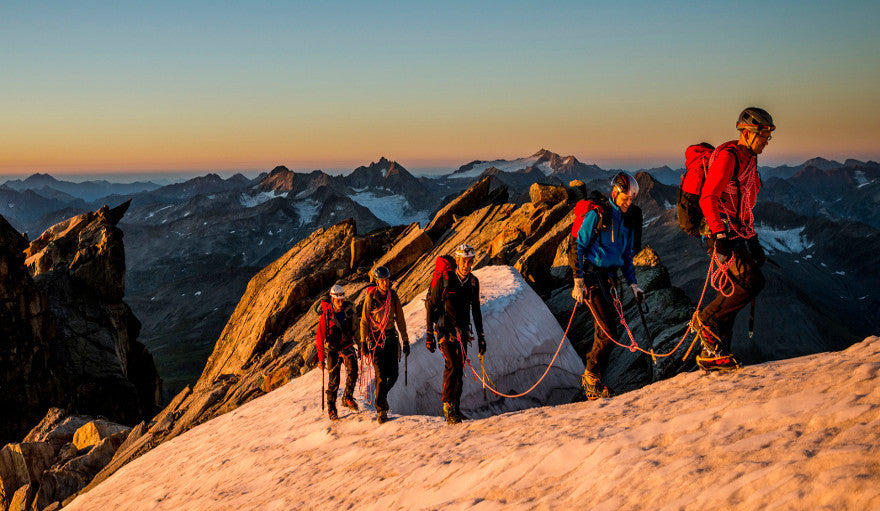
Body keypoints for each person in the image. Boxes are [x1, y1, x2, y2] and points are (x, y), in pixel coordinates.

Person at [693, 107, 774, 372]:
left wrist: (753, 241)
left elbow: (744, 205)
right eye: (763, 135)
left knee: (732, 288)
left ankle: (716, 354)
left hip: (734, 232)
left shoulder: (748, 159)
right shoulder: (730, 158)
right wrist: (719, 235)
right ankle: (705, 320)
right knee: (751, 281)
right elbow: (708, 197)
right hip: (722, 233)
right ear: (748, 133)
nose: (766, 141)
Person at [570, 172, 645, 400]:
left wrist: (633, 284)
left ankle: (594, 380)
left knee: (606, 330)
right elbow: (578, 246)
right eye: (626, 198)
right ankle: (591, 378)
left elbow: (626, 256)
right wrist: (578, 281)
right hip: (593, 278)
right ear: (615, 192)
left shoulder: (627, 220)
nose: (628, 202)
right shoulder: (598, 215)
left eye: (631, 199)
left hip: (610, 279)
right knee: (608, 331)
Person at [425, 243, 485, 425]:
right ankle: (447, 405)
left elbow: (476, 310)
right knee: (453, 366)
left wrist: (481, 336)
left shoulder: (473, 283)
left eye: (470, 261)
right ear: (457, 260)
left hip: (463, 332)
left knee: (459, 369)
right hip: (444, 331)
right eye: (464, 261)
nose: (467, 265)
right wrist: (429, 334)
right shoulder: (445, 279)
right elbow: (431, 305)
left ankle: (455, 408)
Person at [360, 266, 410, 424]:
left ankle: (381, 396)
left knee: (393, 375)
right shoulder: (371, 298)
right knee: (381, 376)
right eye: (382, 280)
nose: (385, 283)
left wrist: (406, 339)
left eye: (387, 280)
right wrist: (363, 342)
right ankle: (381, 409)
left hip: (391, 339)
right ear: (377, 282)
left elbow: (400, 320)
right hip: (376, 341)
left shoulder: (393, 297)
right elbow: (364, 321)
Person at [316, 284, 359, 421]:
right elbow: (320, 337)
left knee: (354, 370)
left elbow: (355, 328)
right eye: (338, 300)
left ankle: (347, 397)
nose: (340, 303)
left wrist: (362, 345)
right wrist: (321, 360)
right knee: (334, 381)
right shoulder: (326, 316)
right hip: (333, 349)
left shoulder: (348, 310)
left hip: (347, 345)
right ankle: (332, 409)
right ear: (332, 299)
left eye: (342, 300)